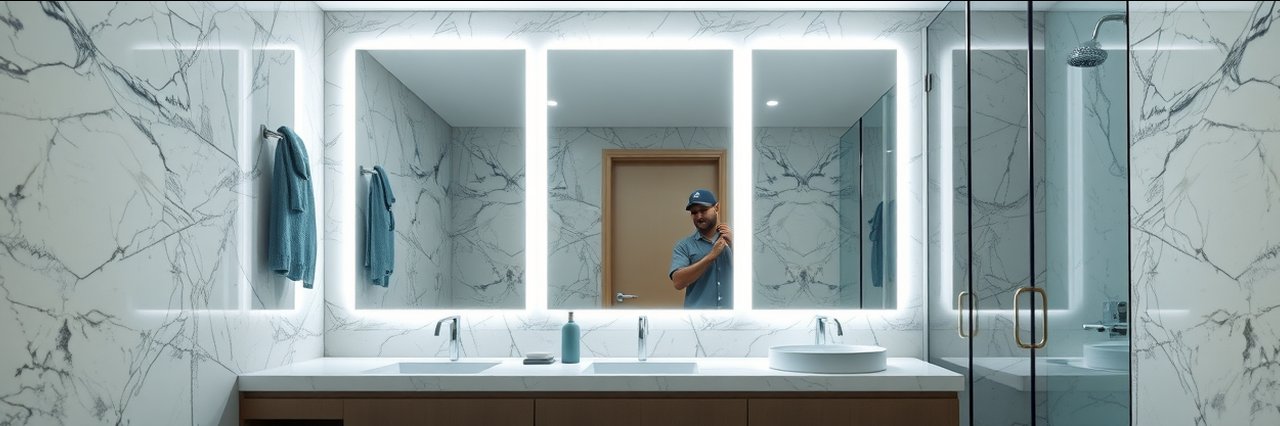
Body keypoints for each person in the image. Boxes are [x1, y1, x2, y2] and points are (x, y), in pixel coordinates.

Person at [667, 189, 733, 309]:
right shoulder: (683, 246)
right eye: (694, 212)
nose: (699, 216)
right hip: (697, 322)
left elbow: (758, 275)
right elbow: (678, 282)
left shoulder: (739, 241)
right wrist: (710, 257)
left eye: (703, 210)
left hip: (734, 320)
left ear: (717, 208)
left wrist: (735, 244)